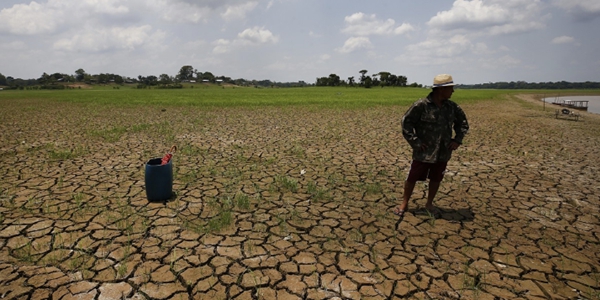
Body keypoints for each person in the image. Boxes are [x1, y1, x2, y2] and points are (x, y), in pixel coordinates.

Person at [393, 74, 469, 217]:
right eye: (450, 88)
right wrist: (416, 142)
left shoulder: (452, 107)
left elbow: (463, 124)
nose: (453, 91)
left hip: (443, 151)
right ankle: (404, 203)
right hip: (424, 151)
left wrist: (457, 140)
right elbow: (406, 124)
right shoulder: (421, 106)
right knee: (412, 177)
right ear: (441, 89)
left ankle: (429, 203)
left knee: (436, 178)